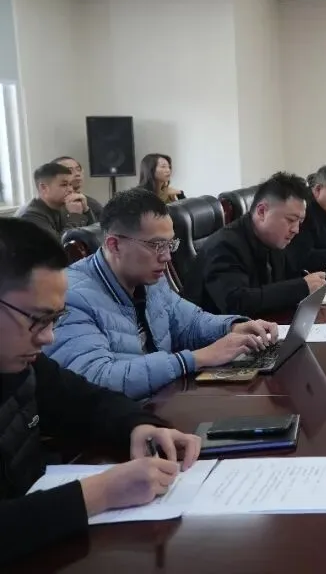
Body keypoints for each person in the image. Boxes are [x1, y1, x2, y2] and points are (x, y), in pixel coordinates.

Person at [0, 218, 203, 565]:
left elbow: (87, 401)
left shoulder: (22, 364)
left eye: (55, 319)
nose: (48, 337)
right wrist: (101, 492)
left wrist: (139, 426)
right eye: (37, 319)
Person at [45, 188, 279, 399]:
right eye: (156, 245)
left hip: (161, 401)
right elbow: (96, 378)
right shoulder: (70, 297)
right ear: (114, 245)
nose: (167, 257)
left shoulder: (149, 279)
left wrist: (233, 327)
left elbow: (190, 323)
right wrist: (195, 359)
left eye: (170, 244)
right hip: (115, 423)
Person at [184, 172, 326, 318]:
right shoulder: (224, 246)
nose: (296, 229)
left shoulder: (273, 239)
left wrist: (309, 282)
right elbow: (236, 303)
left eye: (300, 222)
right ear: (262, 211)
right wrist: (301, 287)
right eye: (291, 220)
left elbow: (283, 280)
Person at [16, 162, 91, 239]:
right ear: (43, 188)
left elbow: (95, 234)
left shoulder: (63, 205)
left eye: (71, 184)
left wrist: (86, 210)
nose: (70, 189)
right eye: (64, 185)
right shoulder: (30, 216)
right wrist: (75, 216)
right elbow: (59, 244)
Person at [52, 156, 103, 223]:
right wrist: (75, 215)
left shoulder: (92, 204)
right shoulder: (50, 207)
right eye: (70, 170)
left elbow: (103, 228)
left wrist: (87, 212)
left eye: (78, 169)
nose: (77, 174)